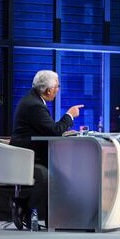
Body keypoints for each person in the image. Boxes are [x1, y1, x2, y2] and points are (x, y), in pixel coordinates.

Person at [9, 70, 84, 229]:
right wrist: (69, 115)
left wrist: (61, 130)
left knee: (60, 174)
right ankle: (28, 211)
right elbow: (54, 131)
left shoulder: (34, 100)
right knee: (46, 176)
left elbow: (49, 129)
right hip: (25, 158)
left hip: (31, 155)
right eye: (57, 86)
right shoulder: (34, 105)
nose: (58, 89)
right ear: (48, 90)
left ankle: (51, 217)